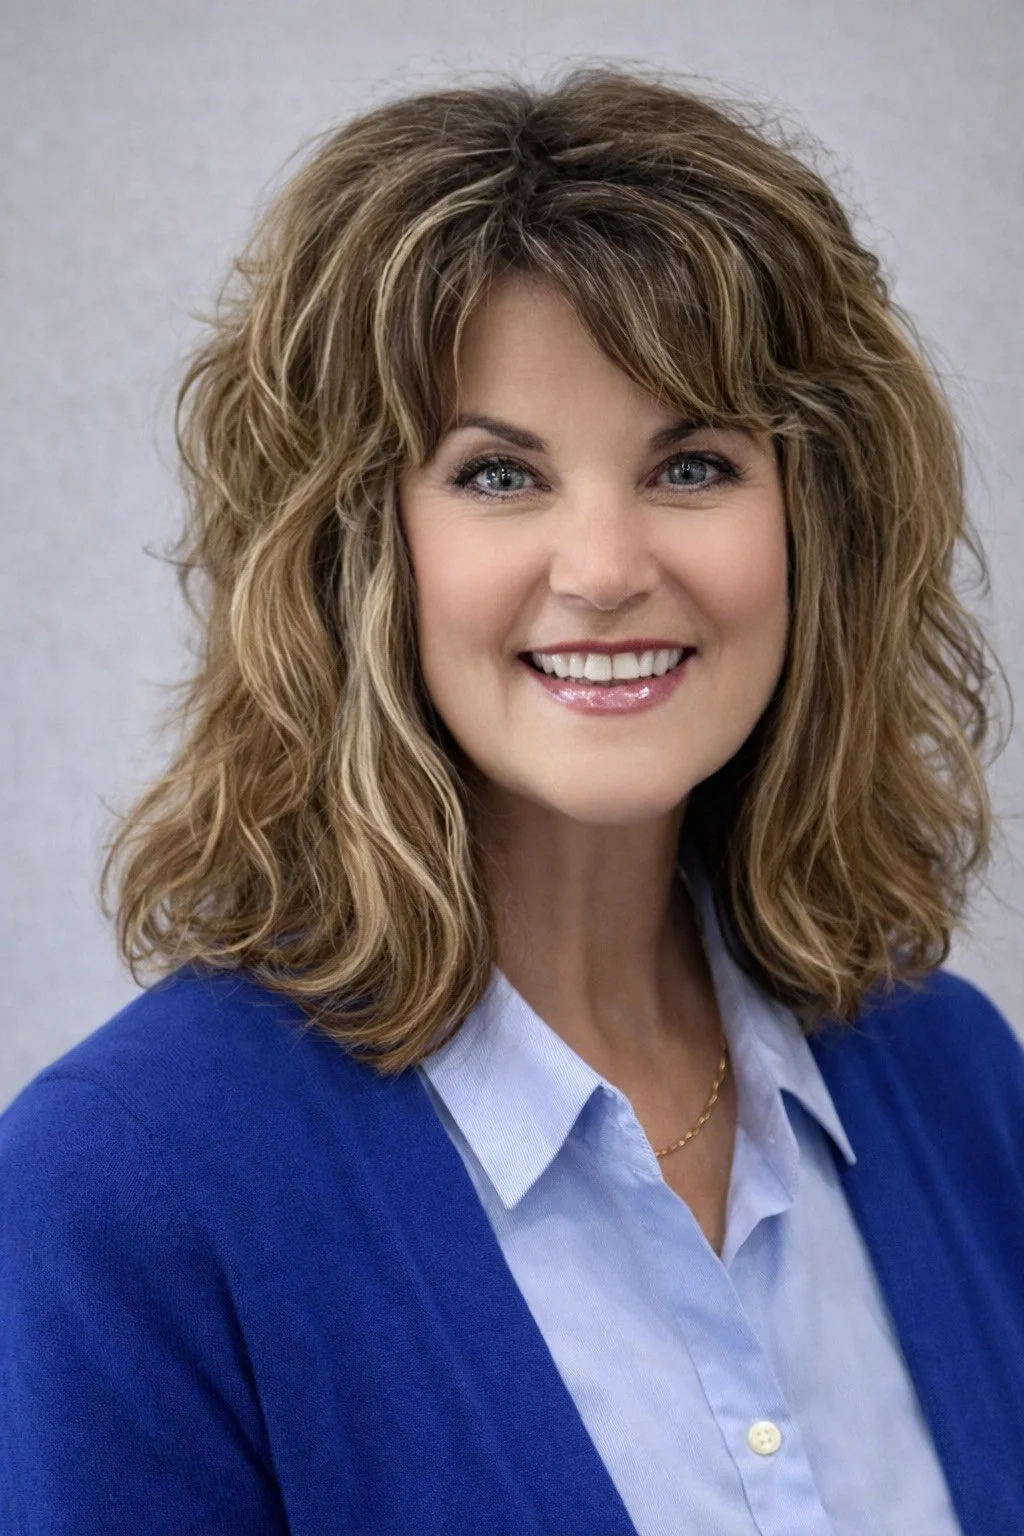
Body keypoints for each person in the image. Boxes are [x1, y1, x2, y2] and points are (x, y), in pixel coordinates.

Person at [1, 63, 1021, 1536]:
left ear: (817, 526)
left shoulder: (957, 1080)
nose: (604, 570)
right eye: (496, 476)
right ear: (357, 546)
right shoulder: (125, 1191)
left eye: (692, 463)